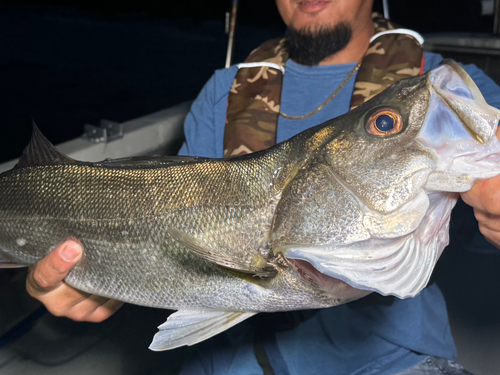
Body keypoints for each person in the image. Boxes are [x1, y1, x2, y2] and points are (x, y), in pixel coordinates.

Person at [25, 0, 500, 373]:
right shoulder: (224, 89)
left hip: (392, 361)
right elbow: (175, 235)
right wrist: (102, 273)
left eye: (384, 124)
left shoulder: (443, 92)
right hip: (222, 363)